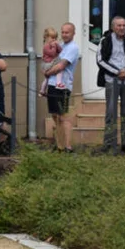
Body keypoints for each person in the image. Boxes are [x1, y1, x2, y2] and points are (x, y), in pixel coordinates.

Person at [95, 16, 125, 154]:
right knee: (110, 113)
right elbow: (100, 60)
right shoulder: (106, 40)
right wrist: (117, 72)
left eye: (123, 25)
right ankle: (109, 144)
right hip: (111, 80)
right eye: (118, 25)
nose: (121, 28)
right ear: (113, 27)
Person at [43, 23, 79, 153]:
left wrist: (47, 72)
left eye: (67, 32)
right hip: (52, 84)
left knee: (63, 116)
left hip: (62, 86)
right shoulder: (60, 46)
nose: (64, 35)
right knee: (54, 115)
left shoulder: (73, 48)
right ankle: (60, 145)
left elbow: (61, 66)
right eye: (62, 32)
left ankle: (68, 147)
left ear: (73, 33)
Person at [38, 26, 62, 97]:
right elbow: (52, 53)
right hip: (47, 64)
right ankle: (58, 83)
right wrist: (54, 46)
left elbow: (61, 51)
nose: (54, 40)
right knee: (60, 66)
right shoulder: (46, 46)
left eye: (55, 38)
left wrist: (57, 45)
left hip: (50, 63)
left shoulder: (53, 44)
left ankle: (42, 90)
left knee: (47, 78)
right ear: (46, 38)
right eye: (52, 38)